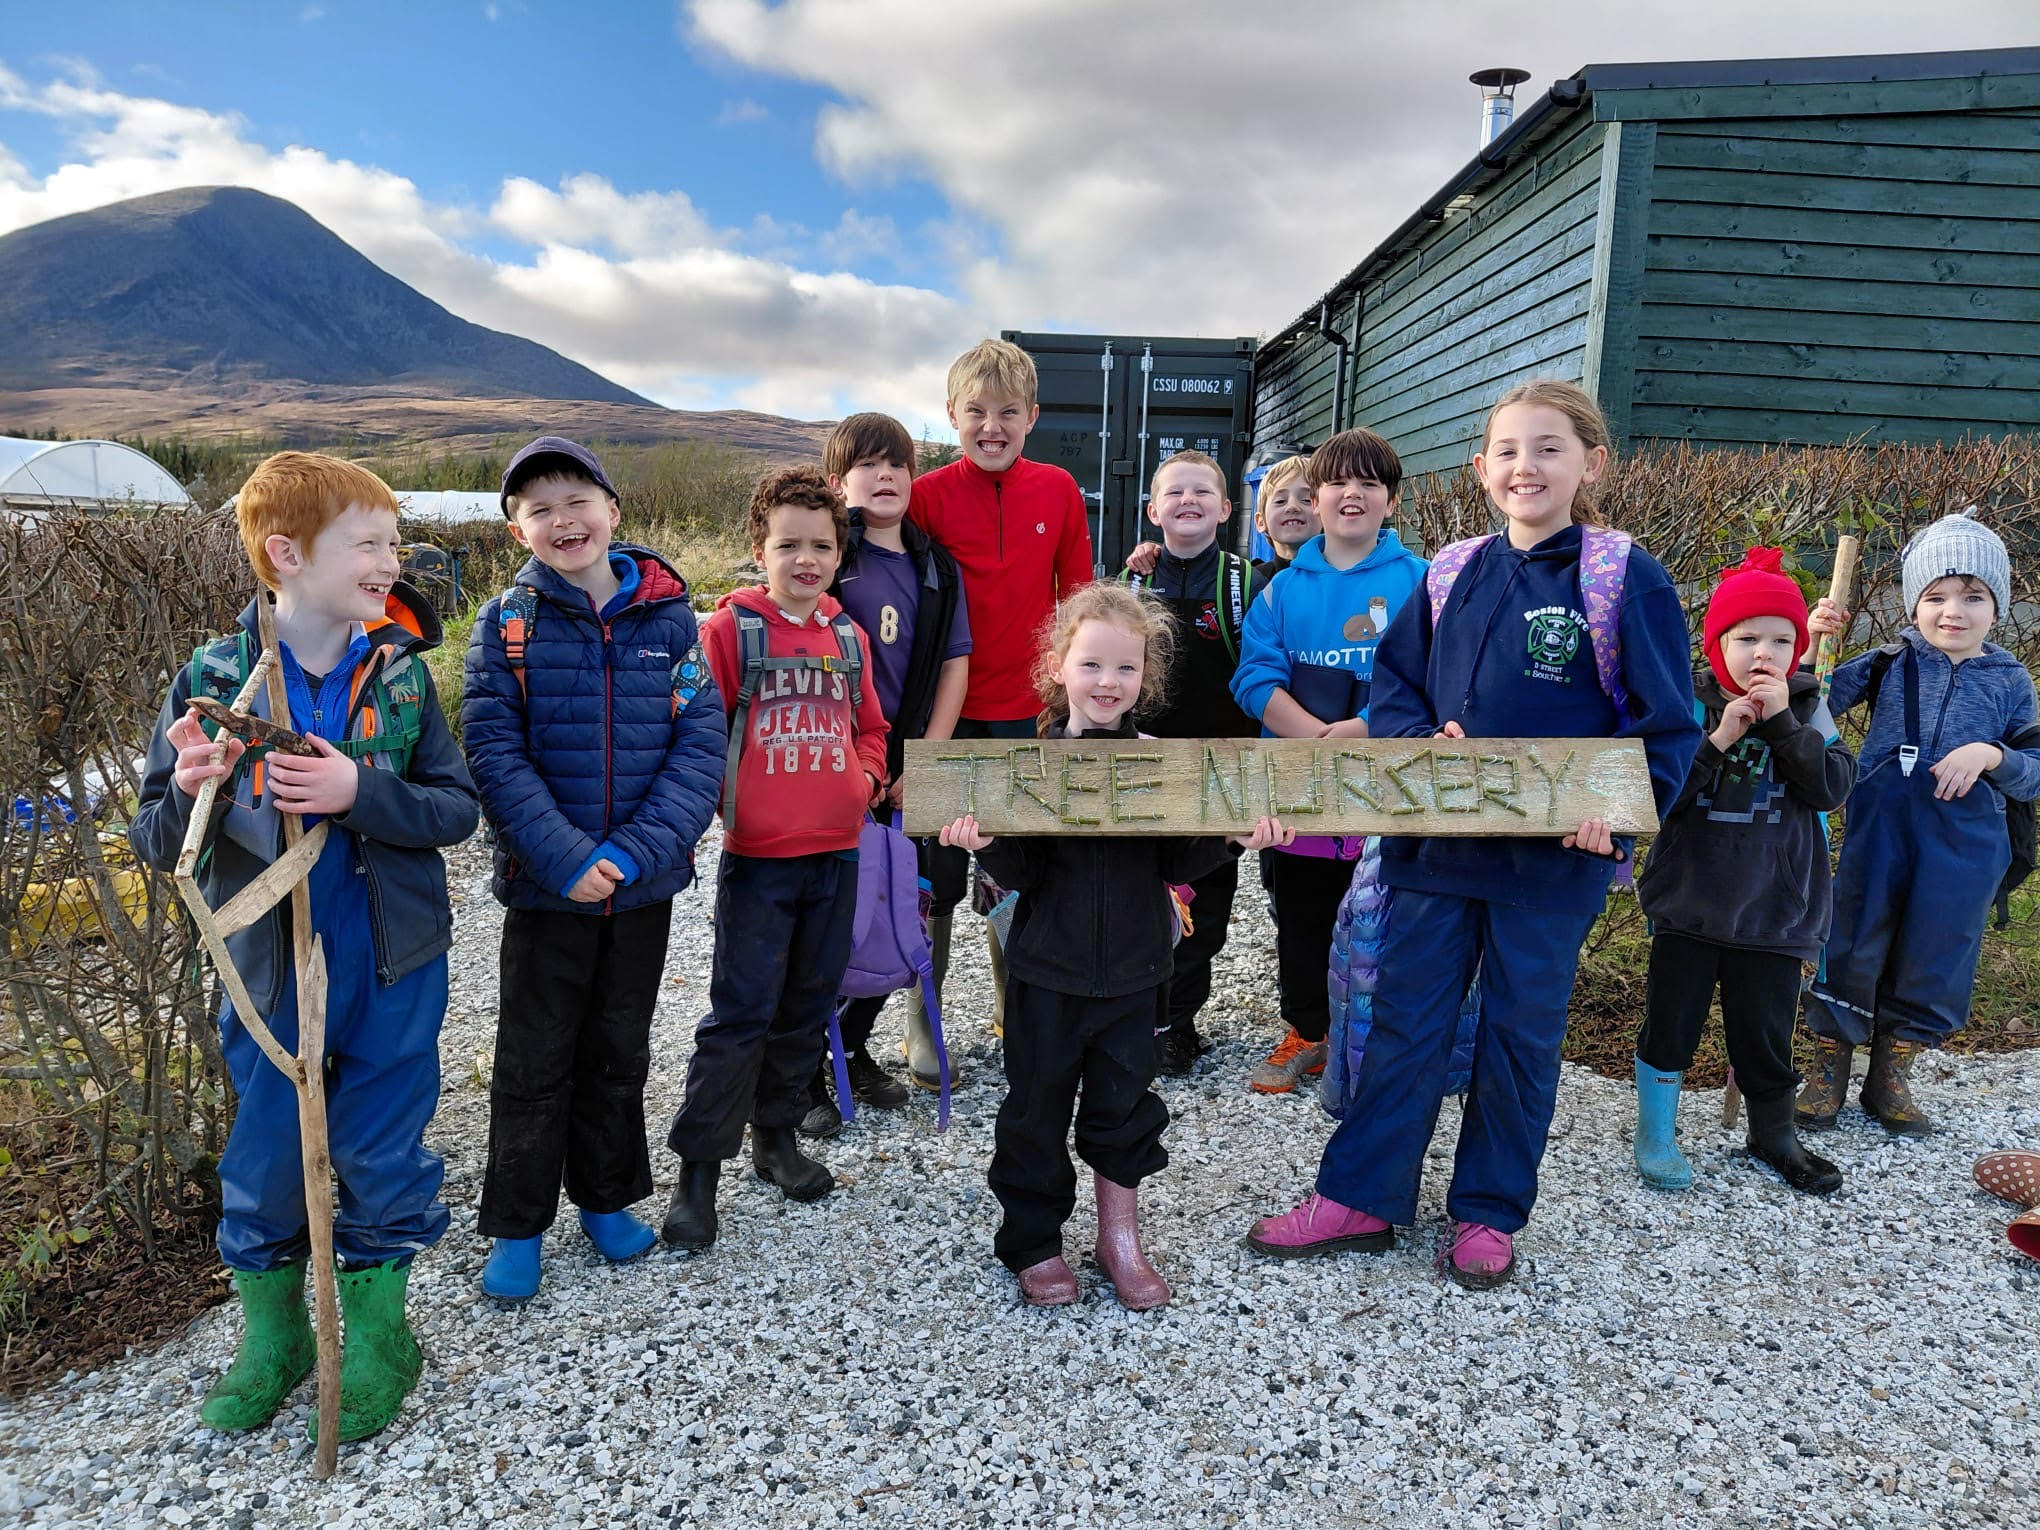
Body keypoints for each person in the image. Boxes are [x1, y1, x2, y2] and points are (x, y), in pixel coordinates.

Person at [1245, 379, 1700, 1289]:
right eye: (1507, 451)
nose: (1525, 465)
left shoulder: (1620, 575)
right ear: (1483, 468)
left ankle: (1488, 1213)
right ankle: (1362, 1195)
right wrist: (1418, 746)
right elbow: (1397, 689)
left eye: (1548, 448)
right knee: (1401, 1024)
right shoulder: (1451, 572)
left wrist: (1615, 815)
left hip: (1549, 865)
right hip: (1434, 852)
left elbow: (1668, 722)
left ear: (1590, 464)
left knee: (1519, 1038)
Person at [130, 451, 480, 1440]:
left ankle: (379, 1340)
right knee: (270, 1157)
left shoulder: (401, 675)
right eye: (367, 543)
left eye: (393, 541)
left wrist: (356, 793)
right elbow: (155, 841)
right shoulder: (210, 679)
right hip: (264, 973)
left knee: (379, 1148)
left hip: (392, 963)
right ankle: (276, 1339)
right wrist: (195, 788)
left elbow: (455, 808)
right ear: (286, 554)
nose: (390, 559)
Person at [938, 584, 1292, 1307]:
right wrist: (991, 844)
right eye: (1092, 665)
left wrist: (1228, 839)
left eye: (1126, 669)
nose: (1108, 683)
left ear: (1146, 679)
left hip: (1136, 974)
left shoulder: (1162, 764)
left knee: (1124, 1107)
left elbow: (1174, 864)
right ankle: (1033, 1242)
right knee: (1034, 1111)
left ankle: (1118, 1238)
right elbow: (1025, 875)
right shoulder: (1028, 766)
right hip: (1046, 974)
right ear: (1059, 666)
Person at [462, 437, 727, 1301]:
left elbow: (700, 746)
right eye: (538, 509)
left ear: (613, 511)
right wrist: (567, 858)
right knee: (533, 1060)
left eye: (577, 499)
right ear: (517, 533)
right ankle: (517, 1223)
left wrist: (633, 853)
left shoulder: (672, 621)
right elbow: (493, 753)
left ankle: (608, 1200)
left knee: (619, 1051)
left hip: (640, 888)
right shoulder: (506, 626)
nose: (561, 519)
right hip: (547, 891)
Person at [661, 467, 889, 1251]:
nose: (805, 558)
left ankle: (777, 1140)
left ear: (839, 552)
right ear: (758, 548)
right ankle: (699, 1175)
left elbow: (872, 731)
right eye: (787, 543)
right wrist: (719, 812)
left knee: (805, 1007)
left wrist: (863, 780)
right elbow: (693, 734)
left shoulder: (847, 637)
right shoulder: (730, 633)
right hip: (758, 860)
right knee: (740, 1015)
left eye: (821, 544)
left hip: (836, 856)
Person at [1798, 512, 2040, 1135]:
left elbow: (2035, 768)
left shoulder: (2011, 681)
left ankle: (1892, 1072)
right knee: (1853, 932)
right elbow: (1808, 706)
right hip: (1883, 826)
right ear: (1913, 604)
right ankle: (1829, 1065)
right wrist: (1809, 641)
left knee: (1940, 944)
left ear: (1998, 606)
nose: (1952, 611)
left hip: (1966, 840)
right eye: (1935, 596)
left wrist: (1993, 755)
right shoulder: (1888, 662)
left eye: (1972, 597)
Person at [1631, 547, 1855, 1196]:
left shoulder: (1810, 707)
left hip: (1774, 911)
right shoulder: (1691, 706)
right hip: (1689, 903)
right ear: (1716, 644)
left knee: (1763, 1032)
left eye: (1782, 639)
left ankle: (1773, 1134)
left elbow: (1831, 788)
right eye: (1747, 637)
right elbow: (1658, 799)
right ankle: (1657, 1134)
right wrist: (1720, 738)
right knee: (1671, 1022)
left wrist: (1784, 724)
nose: (1764, 651)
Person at [1229, 428, 1427, 1093]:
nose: (1353, 494)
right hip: (1297, 783)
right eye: (1339, 482)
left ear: (1391, 501)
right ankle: (1309, 1031)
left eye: (1370, 484)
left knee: (1380, 919)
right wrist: (1315, 736)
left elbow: (1430, 679)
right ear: (1315, 499)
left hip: (1384, 789)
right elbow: (1255, 677)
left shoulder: (1419, 583)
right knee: (1303, 920)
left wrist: (1365, 728)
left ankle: (1367, 1037)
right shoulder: (1283, 591)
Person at [909, 339, 1094, 1036]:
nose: (993, 426)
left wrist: (1071, 694)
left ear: (1032, 416)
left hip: (1028, 714)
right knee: (939, 872)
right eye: (977, 411)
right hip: (945, 714)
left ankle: (1015, 1006)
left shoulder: (1057, 490)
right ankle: (923, 1020)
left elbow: (1077, 599)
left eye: (1008, 412)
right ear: (951, 415)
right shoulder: (926, 498)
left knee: (1015, 868)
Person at [799, 411, 970, 1131]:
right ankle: (804, 1064)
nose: (885, 476)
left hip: (908, 767)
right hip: (840, 766)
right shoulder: (831, 561)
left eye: (896, 463)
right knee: (831, 910)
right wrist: (854, 766)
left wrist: (924, 760)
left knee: (901, 905)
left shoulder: (935, 564)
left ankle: (859, 1045)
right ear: (841, 484)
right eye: (866, 466)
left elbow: (957, 665)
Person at [1113, 450, 1262, 1074]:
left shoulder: (1248, 582)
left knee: (1206, 901)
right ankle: (1133, 1015)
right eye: (1174, 493)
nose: (1188, 501)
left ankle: (1179, 1021)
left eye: (1202, 491)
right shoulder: (1131, 584)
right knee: (1138, 894)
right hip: (1142, 763)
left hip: (1217, 771)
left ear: (1226, 510)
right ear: (1153, 510)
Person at [1251, 454, 1318, 585]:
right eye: (1280, 501)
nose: (1292, 507)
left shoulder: (1342, 577)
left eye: (1306, 500)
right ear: (1261, 521)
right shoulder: (1250, 583)